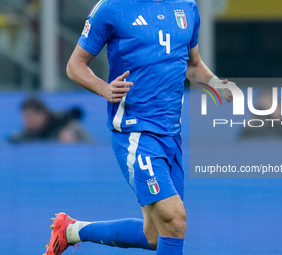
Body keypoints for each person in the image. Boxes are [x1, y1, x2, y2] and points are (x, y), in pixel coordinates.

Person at [44, 0, 234, 254]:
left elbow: (193, 63)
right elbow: (75, 65)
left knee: (155, 235)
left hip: (171, 136)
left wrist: (215, 84)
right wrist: (104, 88)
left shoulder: (186, 6)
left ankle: (70, 231)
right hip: (135, 132)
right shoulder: (112, 7)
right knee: (175, 220)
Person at [9, 98, 91, 143]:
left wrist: (71, 144)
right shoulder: (23, 136)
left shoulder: (68, 127)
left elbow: (90, 145)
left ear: (43, 114)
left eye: (32, 116)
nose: (28, 120)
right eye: (25, 117)